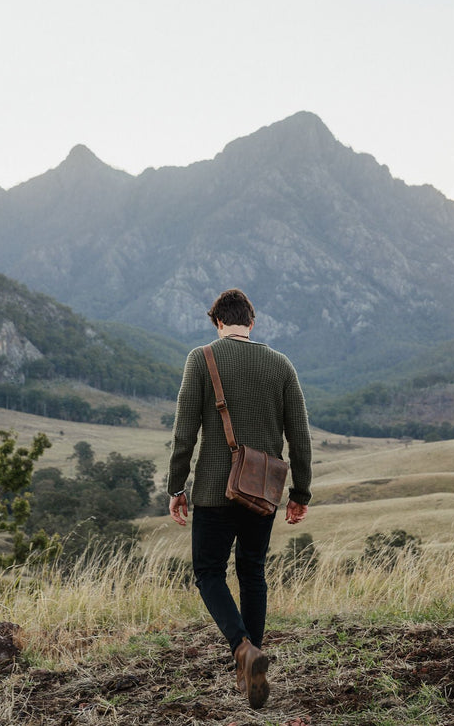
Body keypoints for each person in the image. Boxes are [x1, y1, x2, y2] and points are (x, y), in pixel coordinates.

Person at [168, 288, 312, 709]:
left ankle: (243, 649)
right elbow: (299, 436)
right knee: (253, 572)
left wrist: (178, 487)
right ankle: (251, 662)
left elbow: (183, 433)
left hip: (215, 490)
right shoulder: (281, 364)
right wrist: (300, 492)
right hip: (263, 490)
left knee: (209, 572)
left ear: (217, 322)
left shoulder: (201, 358)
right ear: (252, 322)